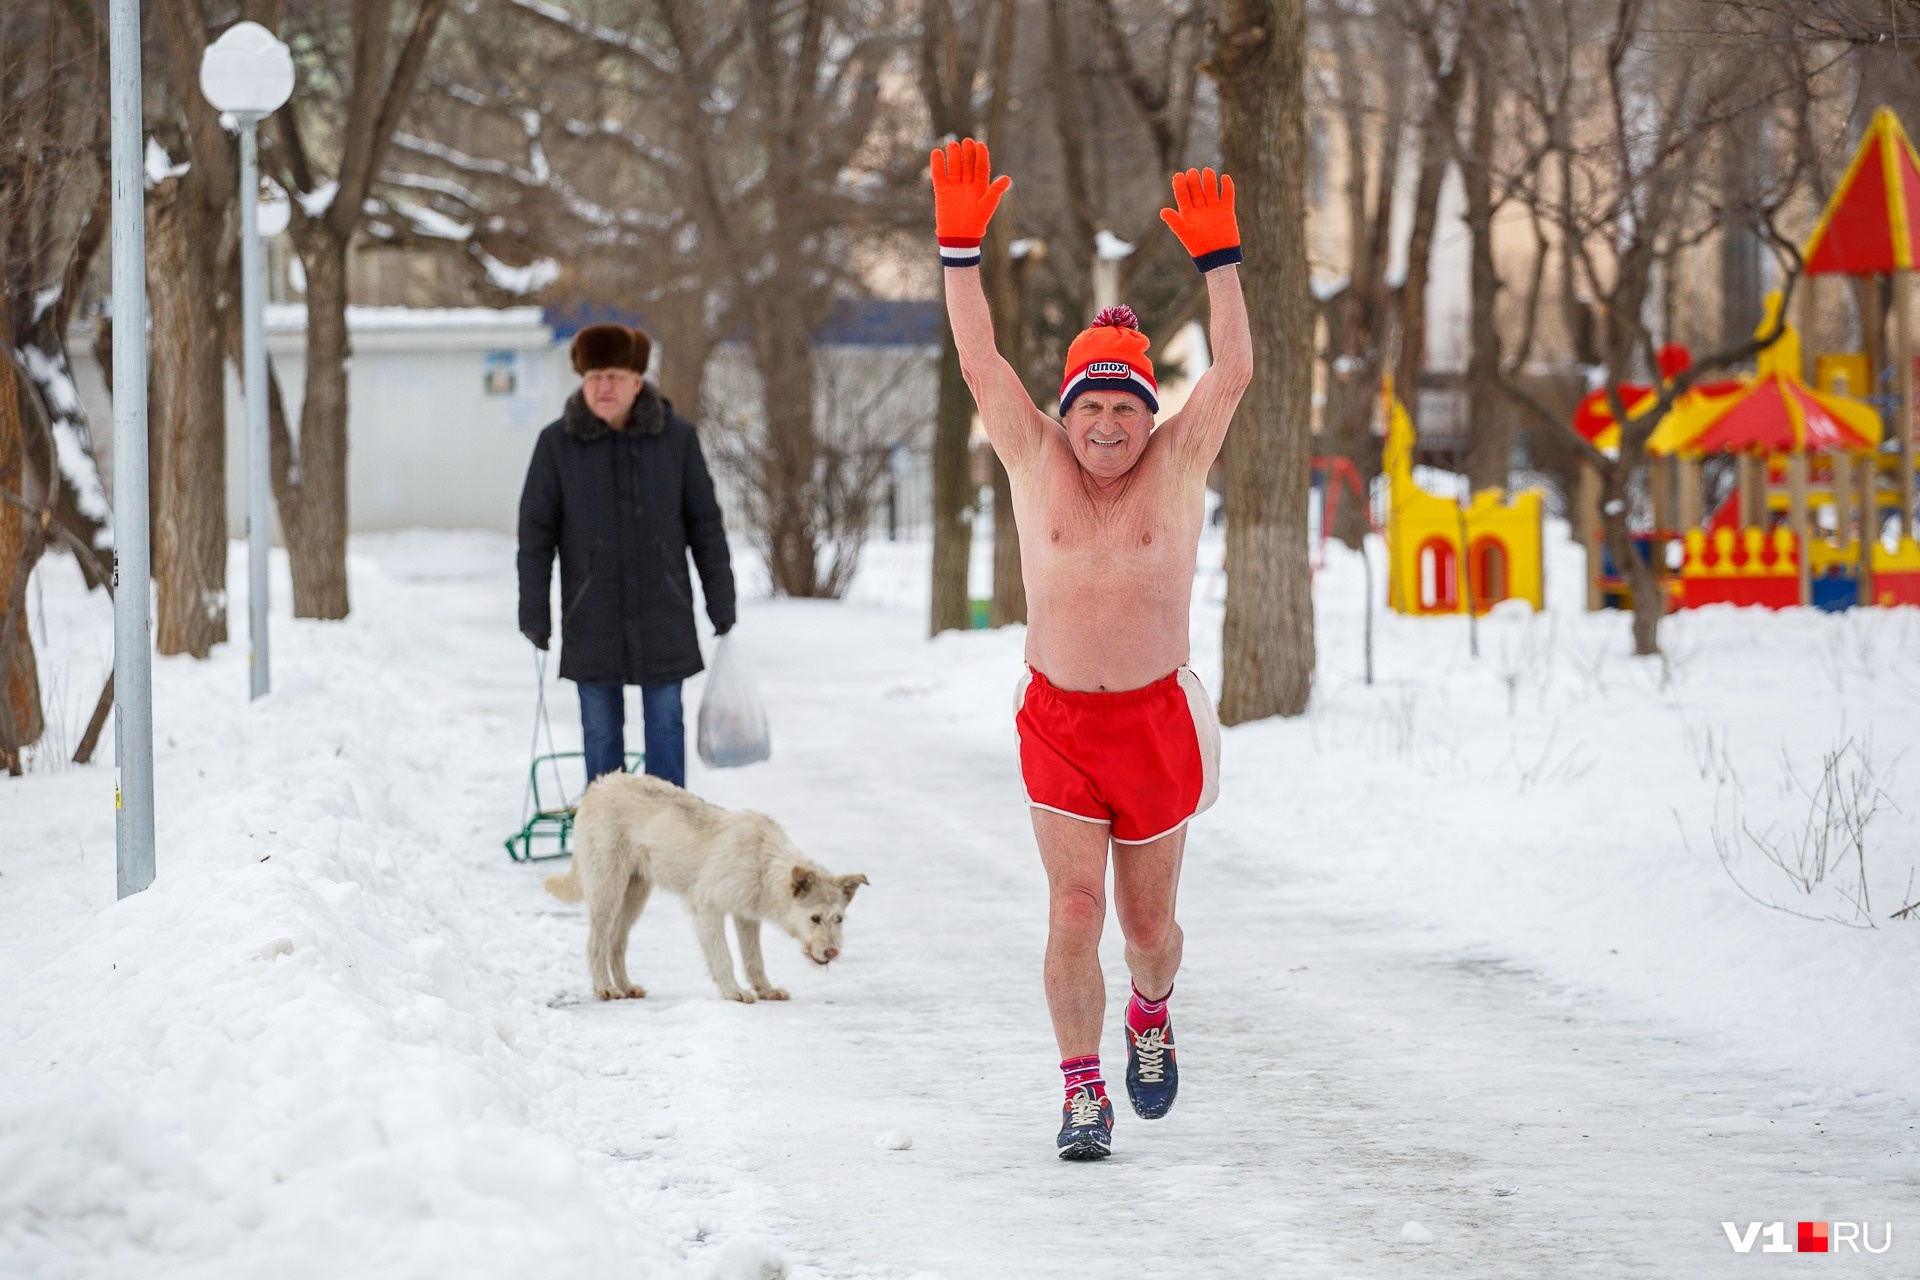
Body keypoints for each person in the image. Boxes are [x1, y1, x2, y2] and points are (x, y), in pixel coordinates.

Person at [932, 139, 1252, 1160]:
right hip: (1062, 723)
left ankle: (1149, 1017)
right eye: (1091, 407)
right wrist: (958, 254)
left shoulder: (1181, 457)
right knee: (1075, 907)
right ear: (1064, 414)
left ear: (1148, 416)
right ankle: (1080, 1092)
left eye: (1124, 407)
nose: (1108, 424)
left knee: (1148, 929)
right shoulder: (1032, 455)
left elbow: (1236, 368)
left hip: (1155, 721)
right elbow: (980, 361)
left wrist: (1221, 265)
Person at [517, 323, 736, 788]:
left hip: (664, 614)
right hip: (590, 616)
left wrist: (722, 602)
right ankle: (608, 844)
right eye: (594, 376)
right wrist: (533, 610)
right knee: (600, 735)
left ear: (638, 381)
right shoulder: (556, 446)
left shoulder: (676, 440)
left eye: (614, 376)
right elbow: (535, 537)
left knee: (664, 728)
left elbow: (706, 528)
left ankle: (670, 843)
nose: (603, 387)